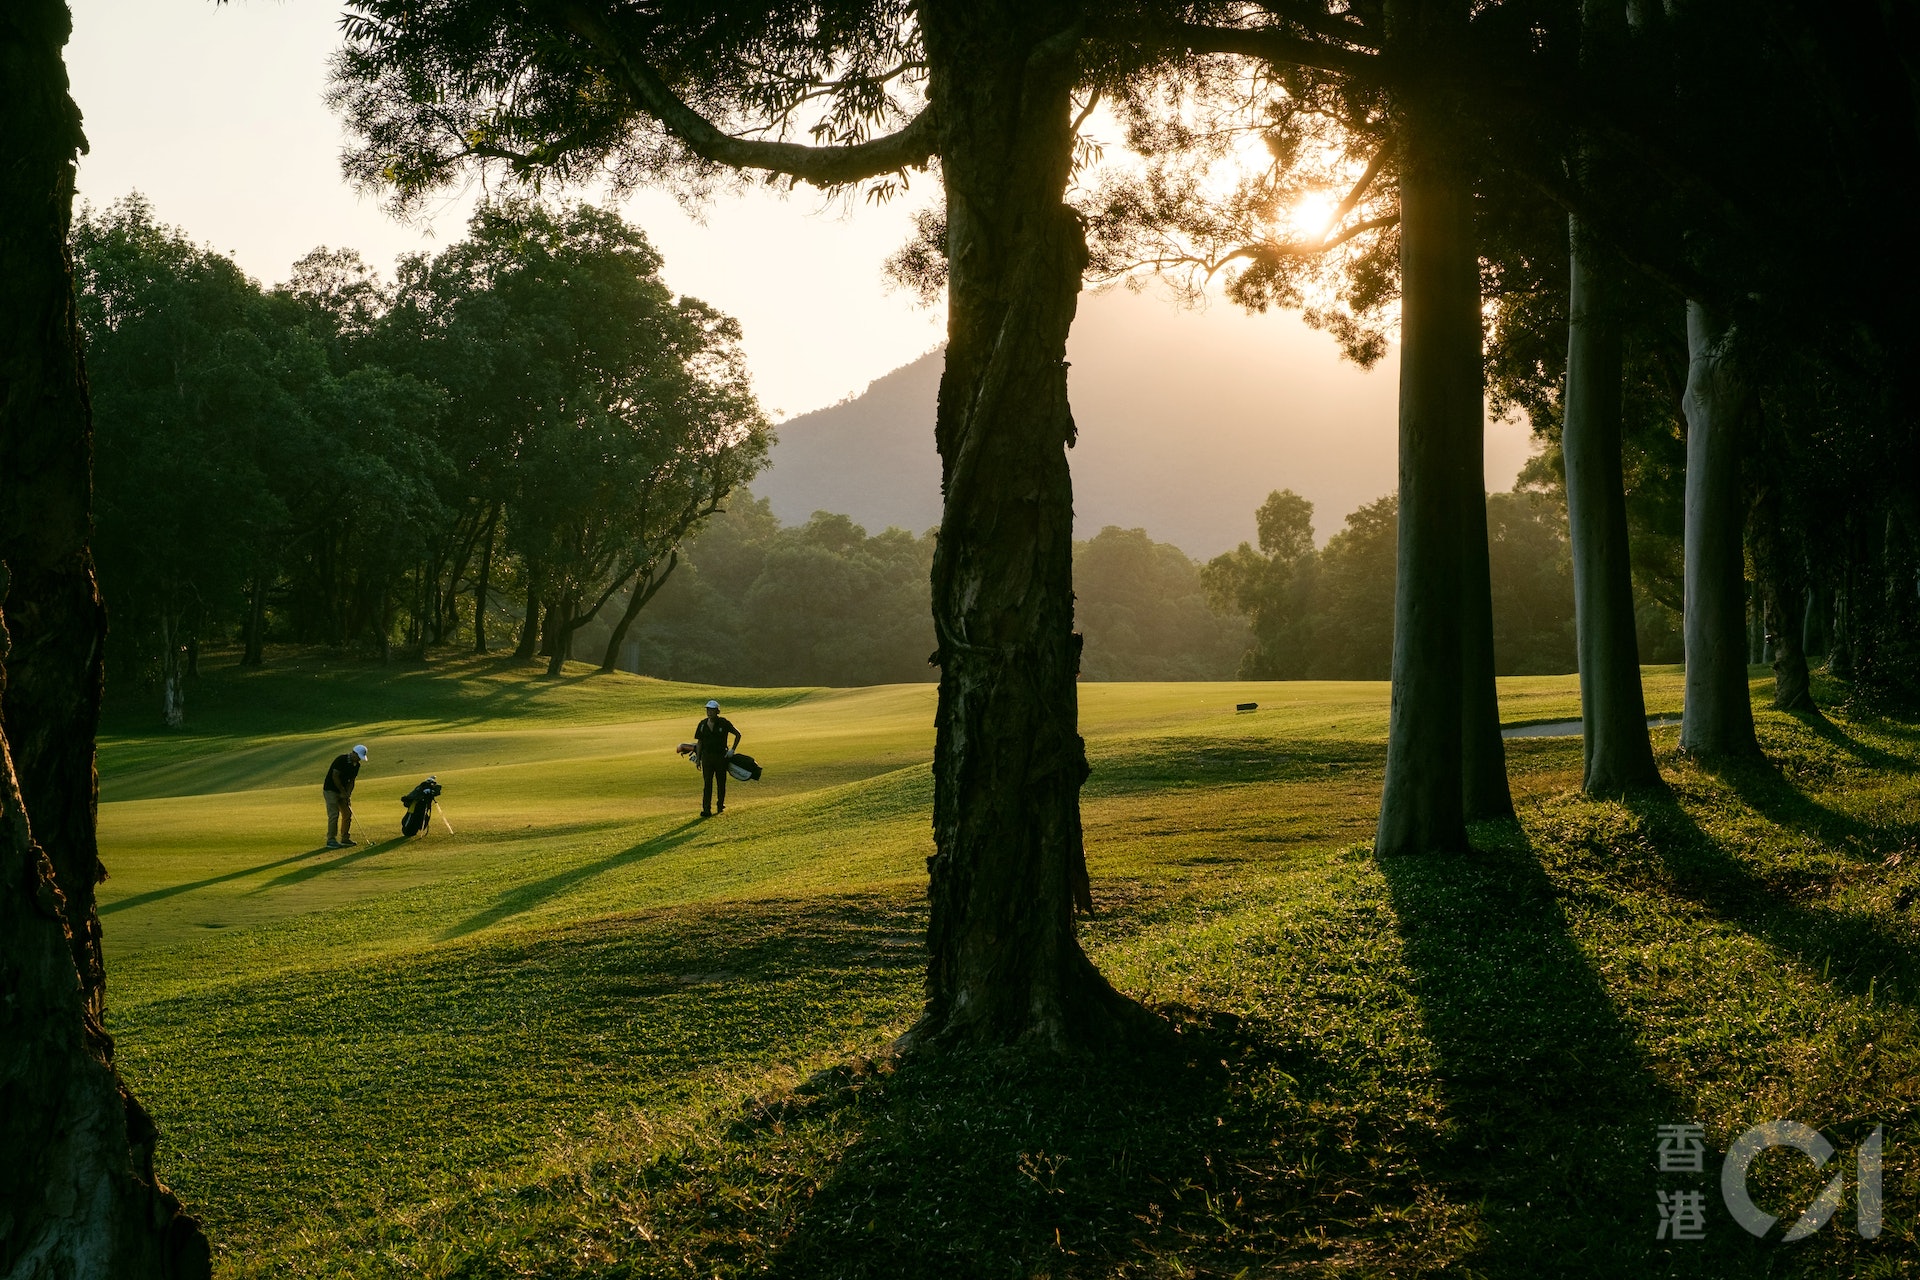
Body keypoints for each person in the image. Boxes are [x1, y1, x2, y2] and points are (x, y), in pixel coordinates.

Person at [692, 699, 741, 817]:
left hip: (720, 757)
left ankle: (720, 805)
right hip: (707, 757)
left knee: (721, 782)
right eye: (708, 710)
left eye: (712, 710)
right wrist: (698, 758)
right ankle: (706, 809)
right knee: (707, 783)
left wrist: (732, 750)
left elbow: (738, 734)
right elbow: (699, 742)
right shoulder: (702, 724)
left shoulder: (724, 723)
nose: (709, 712)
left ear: (717, 711)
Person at [323, 744, 368, 848]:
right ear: (354, 753)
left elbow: (351, 781)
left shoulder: (356, 765)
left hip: (342, 791)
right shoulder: (341, 760)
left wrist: (348, 794)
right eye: (358, 757)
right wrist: (343, 791)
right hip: (330, 790)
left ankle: (345, 838)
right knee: (334, 814)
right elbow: (335, 776)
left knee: (347, 813)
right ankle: (331, 839)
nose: (359, 760)